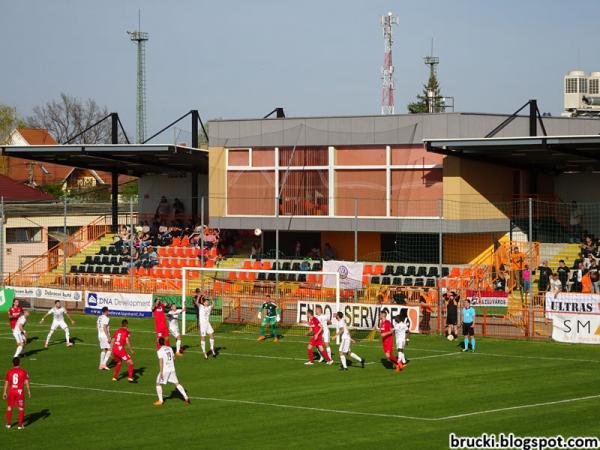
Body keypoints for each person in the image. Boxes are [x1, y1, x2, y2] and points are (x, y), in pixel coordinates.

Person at [154, 337, 190, 406]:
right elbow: (174, 358)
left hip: (165, 370)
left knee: (158, 383)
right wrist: (170, 364)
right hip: (172, 369)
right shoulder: (170, 348)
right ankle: (186, 397)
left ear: (159, 343)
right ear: (164, 342)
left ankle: (161, 401)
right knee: (177, 383)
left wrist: (161, 372)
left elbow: (161, 361)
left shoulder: (160, 351)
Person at [3, 357, 31, 430]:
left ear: (12, 363)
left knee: (9, 407)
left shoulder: (9, 372)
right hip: (19, 392)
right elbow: (27, 382)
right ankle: (20, 425)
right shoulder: (23, 371)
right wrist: (28, 391)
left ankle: (8, 424)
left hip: (11, 391)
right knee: (21, 408)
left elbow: (6, 382)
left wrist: (5, 392)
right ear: (20, 363)